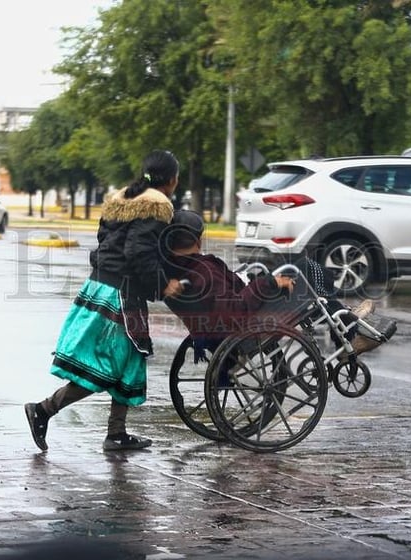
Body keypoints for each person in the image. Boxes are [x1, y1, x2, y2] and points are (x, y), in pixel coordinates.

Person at [25, 150, 185, 452]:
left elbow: (106, 243)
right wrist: (164, 286)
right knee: (106, 366)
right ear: (173, 179)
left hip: (103, 285)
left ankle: (116, 434)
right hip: (119, 295)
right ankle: (43, 410)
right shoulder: (157, 205)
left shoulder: (121, 198)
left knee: (128, 361)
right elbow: (139, 254)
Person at [162, 210, 374, 357]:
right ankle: (347, 331)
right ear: (199, 240)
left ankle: (344, 319)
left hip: (230, 322)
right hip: (244, 327)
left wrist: (256, 280)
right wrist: (268, 283)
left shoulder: (179, 268)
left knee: (299, 271)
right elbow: (234, 310)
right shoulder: (201, 272)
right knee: (308, 270)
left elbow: (227, 297)